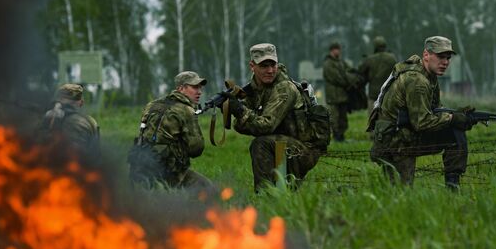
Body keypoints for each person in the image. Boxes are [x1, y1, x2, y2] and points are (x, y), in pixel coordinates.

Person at [368, 36, 474, 188]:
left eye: (448, 58)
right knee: (400, 193)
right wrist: (452, 118)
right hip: (396, 141)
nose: (445, 62)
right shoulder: (418, 81)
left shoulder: (428, 75)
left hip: (400, 134)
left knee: (455, 132)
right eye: (440, 56)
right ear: (426, 55)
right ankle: (452, 188)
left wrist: (457, 115)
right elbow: (422, 122)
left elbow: (434, 109)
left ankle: (453, 187)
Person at [229, 43, 326, 191]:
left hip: (303, 150)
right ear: (252, 66)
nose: (270, 70)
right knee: (263, 142)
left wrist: (240, 111)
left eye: (272, 65)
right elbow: (241, 125)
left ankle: (266, 195)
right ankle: (276, 194)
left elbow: (266, 125)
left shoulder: (284, 88)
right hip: (283, 145)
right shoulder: (256, 89)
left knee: (260, 144)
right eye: (264, 66)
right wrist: (238, 111)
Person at [128, 71, 212, 190]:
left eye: (200, 87)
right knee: (208, 189)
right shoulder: (186, 110)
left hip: (140, 168)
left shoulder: (151, 105)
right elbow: (196, 149)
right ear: (180, 88)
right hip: (169, 173)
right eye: (194, 87)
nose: (199, 92)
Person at [40, 83, 100, 156]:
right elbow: (96, 151)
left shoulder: (49, 116)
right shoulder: (91, 121)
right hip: (87, 164)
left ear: (59, 100)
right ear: (81, 102)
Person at [322, 42, 361, 142]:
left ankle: (341, 136)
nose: (338, 51)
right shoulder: (328, 63)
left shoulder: (341, 62)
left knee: (343, 119)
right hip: (334, 97)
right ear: (332, 50)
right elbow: (336, 78)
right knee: (334, 118)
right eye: (336, 49)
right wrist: (348, 82)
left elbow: (350, 71)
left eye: (339, 49)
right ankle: (336, 137)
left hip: (343, 96)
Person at [358, 36, 397, 114]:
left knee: (372, 120)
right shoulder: (392, 58)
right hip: (388, 93)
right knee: (388, 120)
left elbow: (360, 71)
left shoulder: (370, 59)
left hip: (374, 95)